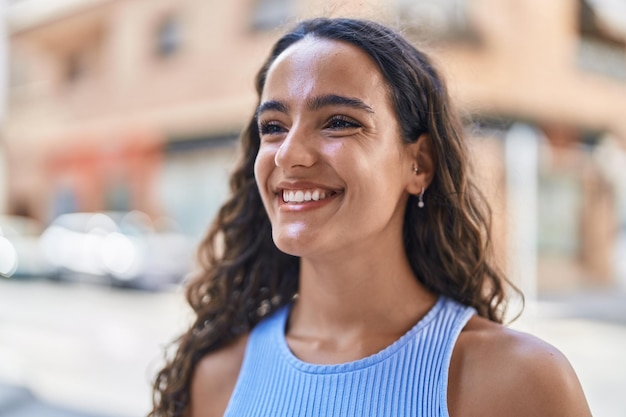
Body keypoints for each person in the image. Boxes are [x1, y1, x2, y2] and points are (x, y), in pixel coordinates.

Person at [149, 17, 592, 417]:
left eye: (339, 121)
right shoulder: (216, 378)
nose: (289, 154)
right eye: (274, 126)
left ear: (419, 164)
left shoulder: (521, 384)